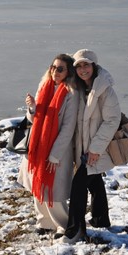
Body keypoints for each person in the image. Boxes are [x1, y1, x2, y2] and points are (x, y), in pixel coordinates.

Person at [62, 49, 121, 244]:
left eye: (86, 64)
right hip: (82, 148)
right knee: (95, 182)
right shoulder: (78, 88)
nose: (82, 69)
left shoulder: (105, 90)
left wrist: (95, 149)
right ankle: (100, 219)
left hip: (95, 148)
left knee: (78, 187)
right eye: (78, 66)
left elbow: (112, 120)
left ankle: (75, 229)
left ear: (94, 65)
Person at [17, 53, 79, 239]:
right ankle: (43, 221)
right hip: (38, 146)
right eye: (53, 67)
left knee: (55, 189)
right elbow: (33, 119)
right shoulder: (44, 86)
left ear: (68, 72)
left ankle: (62, 224)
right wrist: (32, 107)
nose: (55, 71)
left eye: (60, 69)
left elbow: (68, 128)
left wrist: (55, 155)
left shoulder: (71, 93)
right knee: (38, 185)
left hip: (57, 149)